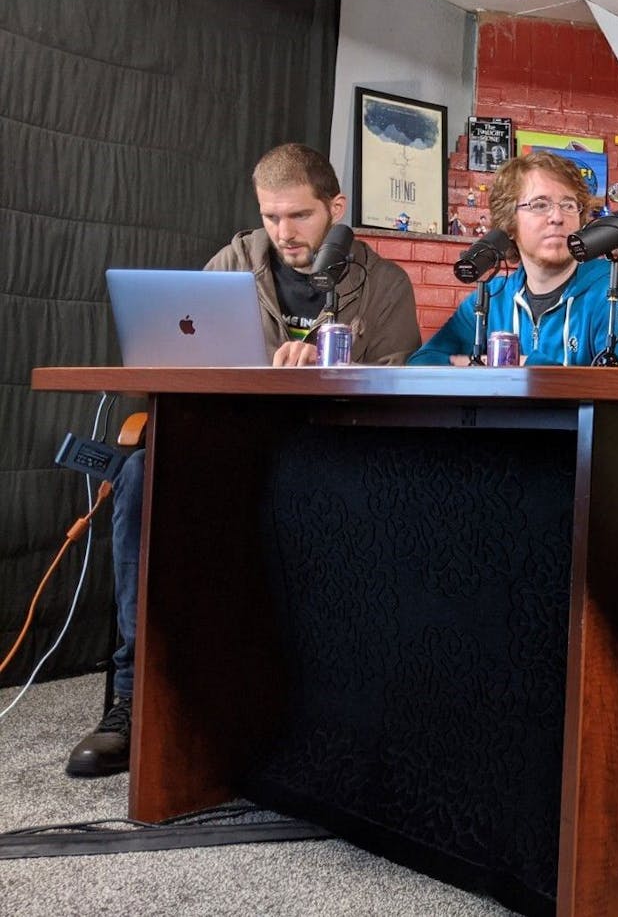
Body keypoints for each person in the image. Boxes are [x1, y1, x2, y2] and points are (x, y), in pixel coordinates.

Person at [65, 143, 421, 777]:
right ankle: (131, 695)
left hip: (333, 451)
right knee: (142, 476)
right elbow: (182, 361)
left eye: (301, 217)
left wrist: (332, 365)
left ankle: (333, 705)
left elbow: (406, 382)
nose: (284, 233)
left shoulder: (385, 284)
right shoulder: (229, 265)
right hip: (231, 451)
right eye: (272, 217)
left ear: (336, 208)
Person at [408, 150, 618, 366]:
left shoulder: (612, 293)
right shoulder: (490, 299)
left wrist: (522, 365)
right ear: (509, 225)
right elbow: (421, 364)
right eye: (540, 205)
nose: (557, 216)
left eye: (568, 205)